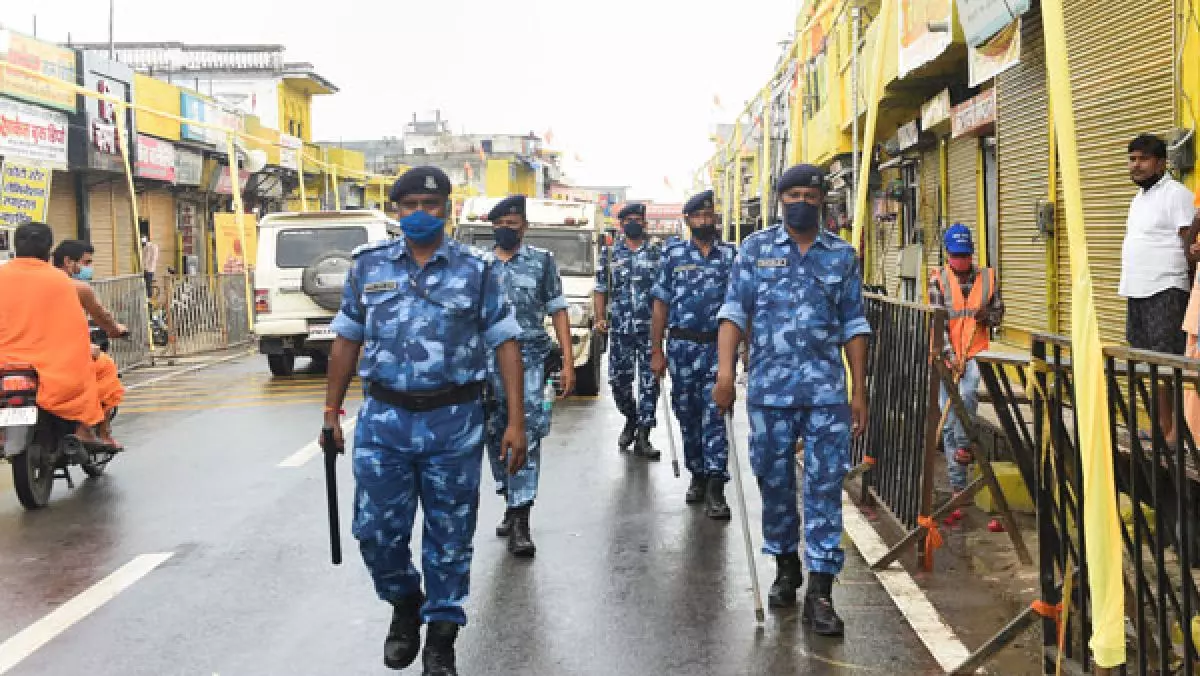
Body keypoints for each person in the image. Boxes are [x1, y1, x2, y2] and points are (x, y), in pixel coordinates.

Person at [321, 167, 527, 676]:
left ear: (447, 209)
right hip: (384, 419)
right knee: (375, 532)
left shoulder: (477, 269)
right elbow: (347, 338)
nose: (419, 213)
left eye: (429, 205)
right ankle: (405, 602)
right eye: (409, 204)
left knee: (450, 535)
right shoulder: (368, 266)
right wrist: (331, 412)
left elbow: (506, 342)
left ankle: (441, 635)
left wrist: (515, 421)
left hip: (453, 420)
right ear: (396, 209)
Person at [714, 164, 871, 636]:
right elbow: (734, 311)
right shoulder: (755, 250)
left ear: (822, 200)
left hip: (826, 395)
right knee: (774, 483)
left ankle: (821, 592)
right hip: (769, 393)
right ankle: (786, 567)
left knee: (825, 486)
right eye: (792, 194)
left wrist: (859, 390)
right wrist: (724, 373)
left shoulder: (842, 257)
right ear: (780, 199)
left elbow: (855, 325)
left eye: (809, 193)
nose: (801, 200)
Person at [483, 194, 575, 558]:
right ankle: (509, 497)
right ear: (493, 227)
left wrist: (568, 361)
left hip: (531, 361)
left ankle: (521, 517)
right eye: (502, 224)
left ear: (525, 226)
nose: (508, 229)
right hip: (487, 366)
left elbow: (558, 310)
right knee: (493, 436)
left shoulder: (542, 262)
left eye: (514, 223)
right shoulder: (481, 266)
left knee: (528, 436)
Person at [650, 190, 736, 519]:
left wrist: (747, 345)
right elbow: (660, 306)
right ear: (687, 220)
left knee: (716, 413)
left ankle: (716, 485)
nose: (703, 221)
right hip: (682, 347)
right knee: (687, 414)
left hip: (718, 346)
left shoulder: (731, 256)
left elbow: (742, 306)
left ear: (715, 217)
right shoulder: (673, 256)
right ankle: (697, 474)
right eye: (697, 216)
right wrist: (656, 350)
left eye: (708, 215)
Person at [0, 223, 116, 453]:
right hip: (52, 368)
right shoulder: (65, 283)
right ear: (48, 250)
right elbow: (74, 330)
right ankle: (85, 429)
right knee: (100, 367)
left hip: (5, 364)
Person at [1120, 134, 1196, 443]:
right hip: (1137, 291)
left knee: (1170, 362)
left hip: (1166, 289)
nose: (1135, 165)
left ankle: (1178, 431)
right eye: (1132, 159)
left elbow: (1190, 242)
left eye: (1143, 159)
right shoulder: (1138, 200)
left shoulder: (1176, 194)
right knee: (1151, 364)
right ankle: (1161, 425)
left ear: (1162, 163)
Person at [927, 224, 1004, 525]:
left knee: (969, 393)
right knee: (947, 422)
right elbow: (937, 322)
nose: (962, 261)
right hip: (947, 356)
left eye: (966, 255)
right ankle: (959, 491)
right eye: (957, 256)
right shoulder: (939, 281)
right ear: (948, 255)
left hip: (975, 352)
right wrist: (948, 357)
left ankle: (963, 446)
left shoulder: (986, 278)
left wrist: (990, 316)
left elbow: (999, 312)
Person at [594, 203, 662, 459]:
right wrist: (600, 318)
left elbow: (663, 293)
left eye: (638, 219)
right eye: (628, 219)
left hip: (649, 329)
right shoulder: (610, 253)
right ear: (621, 224)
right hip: (620, 329)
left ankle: (644, 433)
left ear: (644, 222)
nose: (634, 223)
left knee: (649, 382)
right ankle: (631, 418)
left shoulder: (656, 252)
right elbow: (601, 288)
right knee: (618, 382)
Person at [52, 239, 129, 448]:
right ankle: (96, 431)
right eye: (84, 263)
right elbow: (102, 316)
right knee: (105, 368)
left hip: (17, 356)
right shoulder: (76, 287)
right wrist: (115, 330)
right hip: (60, 355)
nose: (86, 268)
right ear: (68, 262)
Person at [140, 220, 160, 298]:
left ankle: (148, 299)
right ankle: (149, 299)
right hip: (152, 269)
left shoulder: (147, 247)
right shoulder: (154, 246)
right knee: (149, 285)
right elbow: (154, 258)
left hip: (147, 270)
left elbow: (147, 259)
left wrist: (143, 268)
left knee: (147, 286)